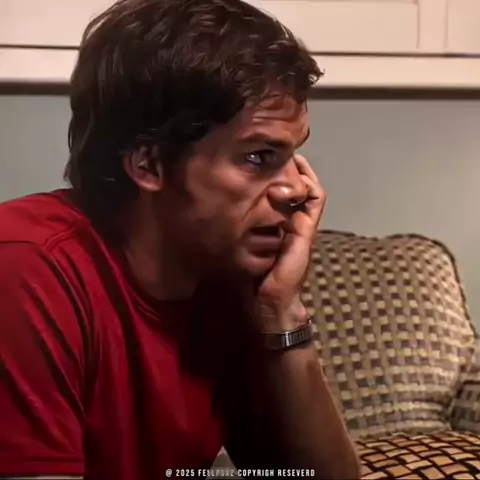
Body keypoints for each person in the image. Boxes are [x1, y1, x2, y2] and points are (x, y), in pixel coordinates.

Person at [0, 0, 361, 479]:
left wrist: (283, 312)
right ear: (148, 164)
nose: (297, 189)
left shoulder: (226, 276)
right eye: (258, 157)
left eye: (294, 156)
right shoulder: (27, 267)